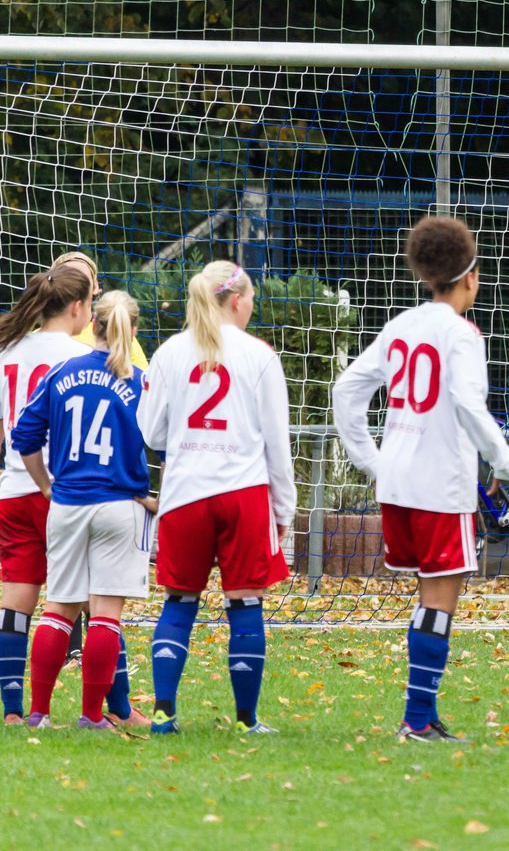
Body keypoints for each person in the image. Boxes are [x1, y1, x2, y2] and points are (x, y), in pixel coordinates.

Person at [333, 215, 509, 743]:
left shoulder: (402, 325)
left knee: (427, 597)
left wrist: (373, 460)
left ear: (425, 275)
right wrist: (507, 466)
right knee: (440, 600)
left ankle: (421, 714)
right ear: (472, 276)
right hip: (440, 483)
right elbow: (467, 403)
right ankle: (417, 719)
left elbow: (347, 391)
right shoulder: (461, 335)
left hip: (397, 483)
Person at [137, 260, 296, 735]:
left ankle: (164, 714)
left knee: (179, 600)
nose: (253, 306)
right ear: (237, 300)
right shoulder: (260, 355)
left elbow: (150, 429)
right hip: (242, 493)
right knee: (245, 604)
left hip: (185, 493)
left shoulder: (169, 352)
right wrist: (282, 509)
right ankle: (247, 721)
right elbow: (277, 444)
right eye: (251, 299)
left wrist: (184, 441)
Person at [11, 292, 155, 729]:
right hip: (120, 505)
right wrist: (158, 496)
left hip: (68, 504)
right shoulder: (140, 381)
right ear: (131, 332)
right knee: (106, 613)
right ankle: (93, 716)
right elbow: (166, 443)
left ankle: (38, 713)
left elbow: (24, 438)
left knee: (58, 609)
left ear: (93, 322)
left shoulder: (61, 372)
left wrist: (45, 485)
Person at [0, 264, 94, 725]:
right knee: (93, 601)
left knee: (15, 601)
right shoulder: (80, 357)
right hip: (65, 491)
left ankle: (12, 712)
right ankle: (113, 709)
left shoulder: (7, 353)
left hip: (13, 491)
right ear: (77, 306)